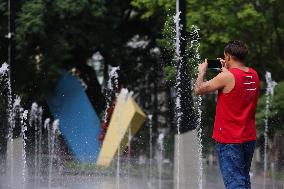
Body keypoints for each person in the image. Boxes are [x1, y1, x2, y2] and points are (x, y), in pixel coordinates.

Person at [194, 40, 260, 189]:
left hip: (230, 139)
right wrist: (225, 70)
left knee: (235, 184)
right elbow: (236, 85)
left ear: (228, 57)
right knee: (243, 180)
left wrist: (202, 71)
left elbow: (198, 89)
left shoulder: (227, 77)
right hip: (248, 137)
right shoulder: (254, 75)